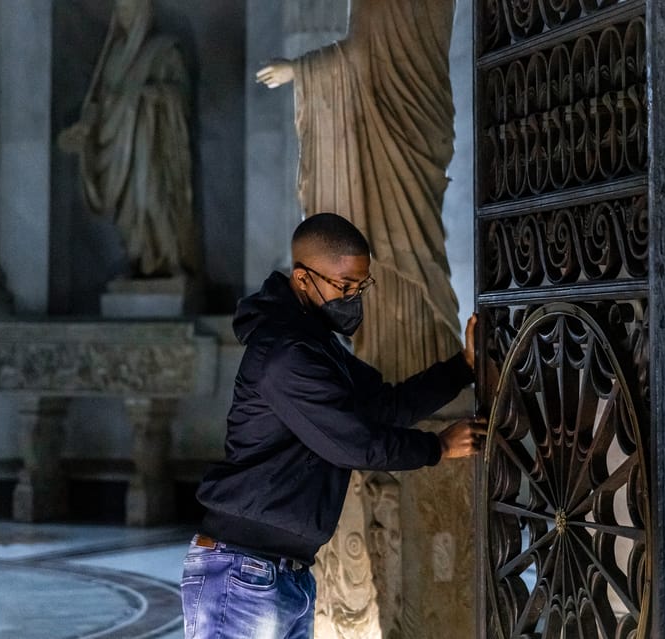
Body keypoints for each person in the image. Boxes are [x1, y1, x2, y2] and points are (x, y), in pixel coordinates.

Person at [181, 213, 482, 639]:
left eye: (360, 287)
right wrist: (437, 448)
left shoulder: (317, 346)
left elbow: (383, 406)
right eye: (344, 287)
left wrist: (462, 368)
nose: (354, 297)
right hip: (243, 572)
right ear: (303, 279)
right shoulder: (285, 354)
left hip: (285, 572)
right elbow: (353, 444)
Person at [255, 0, 460, 382]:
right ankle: (421, 373)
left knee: (396, 253)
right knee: (394, 257)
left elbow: (363, 55)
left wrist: (297, 70)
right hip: (411, 133)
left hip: (397, 140)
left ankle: (414, 373)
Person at [58, 0, 197, 277]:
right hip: (119, 146)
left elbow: (182, 96)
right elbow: (98, 102)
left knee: (152, 200)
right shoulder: (113, 56)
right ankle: (139, 261)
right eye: (120, 10)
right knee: (128, 213)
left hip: (152, 144)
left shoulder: (164, 50)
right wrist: (84, 128)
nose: (124, 15)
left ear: (144, 13)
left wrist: (155, 95)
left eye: (130, 8)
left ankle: (168, 261)